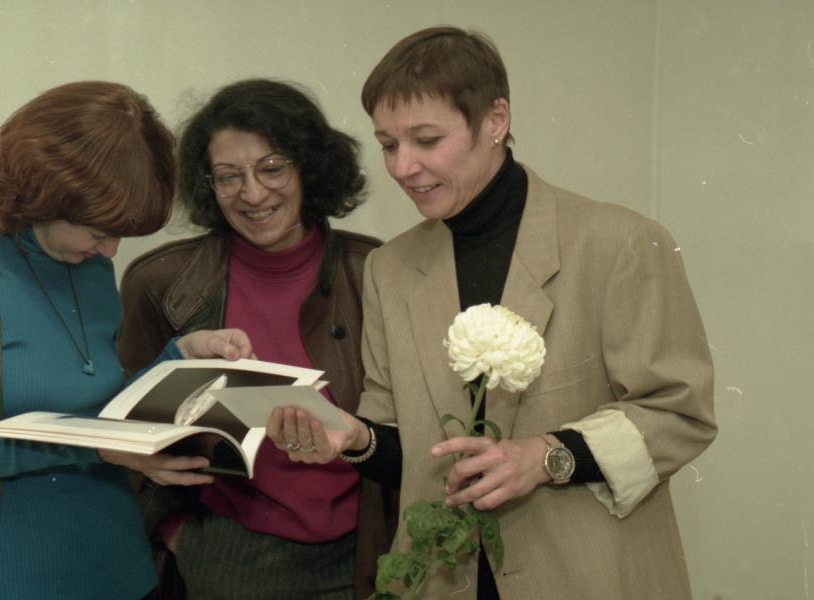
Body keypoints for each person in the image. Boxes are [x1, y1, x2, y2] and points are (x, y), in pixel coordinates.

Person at [268, 27, 717, 599]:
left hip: (588, 577)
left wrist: (547, 457)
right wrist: (356, 438)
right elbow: (408, 444)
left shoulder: (619, 242)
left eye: (426, 140)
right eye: (388, 145)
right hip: (442, 580)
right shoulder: (390, 267)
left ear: (496, 120)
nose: (403, 167)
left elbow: (679, 412)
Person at [0, 81, 252, 600]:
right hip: (11, 585)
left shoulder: (86, 262)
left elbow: (96, 411)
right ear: (40, 190)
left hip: (126, 575)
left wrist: (180, 357)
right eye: (98, 230)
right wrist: (92, 445)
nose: (110, 250)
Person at [117, 78, 397, 600]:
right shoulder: (161, 283)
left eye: (272, 168)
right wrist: (182, 538)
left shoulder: (375, 271)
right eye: (229, 176)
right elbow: (118, 428)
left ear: (309, 167)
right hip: (230, 554)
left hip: (367, 549)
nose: (252, 193)